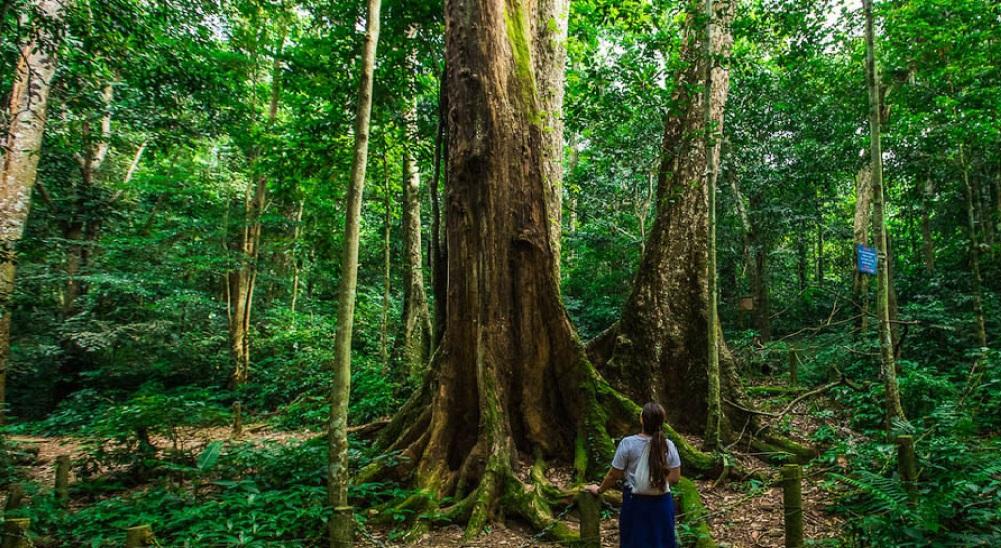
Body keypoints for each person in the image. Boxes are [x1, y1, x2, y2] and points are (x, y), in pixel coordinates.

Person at [585, 402, 682, 548]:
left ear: (642, 419)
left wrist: (599, 490)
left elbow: (613, 475)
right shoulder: (668, 445)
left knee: (635, 542)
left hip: (636, 503)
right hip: (662, 503)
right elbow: (675, 477)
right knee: (661, 542)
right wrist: (654, 482)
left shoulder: (628, 444)